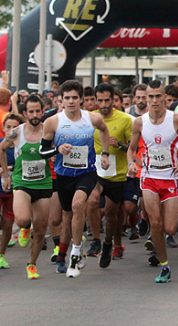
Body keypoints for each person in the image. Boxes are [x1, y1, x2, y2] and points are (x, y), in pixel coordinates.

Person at [127, 79, 178, 283]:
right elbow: (131, 150)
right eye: (151, 97)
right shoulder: (140, 122)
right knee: (155, 223)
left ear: (165, 98)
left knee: (170, 228)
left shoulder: (175, 119)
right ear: (145, 98)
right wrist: (132, 163)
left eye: (159, 96)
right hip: (149, 177)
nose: (155, 100)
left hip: (171, 178)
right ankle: (164, 265)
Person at [39, 80, 111, 278]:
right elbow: (42, 151)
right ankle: (62, 254)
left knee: (79, 204)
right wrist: (57, 149)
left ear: (81, 100)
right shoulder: (53, 122)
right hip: (64, 175)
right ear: (61, 100)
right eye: (67, 98)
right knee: (67, 216)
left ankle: (76, 252)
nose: (71, 102)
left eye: (74, 98)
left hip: (86, 172)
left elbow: (104, 130)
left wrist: (105, 154)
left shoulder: (92, 118)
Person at [0, 95, 52, 279]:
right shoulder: (16, 132)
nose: (35, 114)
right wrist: (6, 174)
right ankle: (23, 227)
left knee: (40, 228)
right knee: (22, 219)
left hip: (43, 183)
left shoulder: (49, 131)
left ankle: (32, 265)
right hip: (22, 182)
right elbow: (2, 148)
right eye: (31, 111)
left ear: (43, 111)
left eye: (38, 111)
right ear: (25, 113)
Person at [88, 83, 133, 268]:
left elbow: (134, 147)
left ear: (114, 99)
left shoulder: (125, 120)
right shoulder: (89, 119)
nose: (104, 104)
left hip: (117, 174)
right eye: (100, 100)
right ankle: (96, 240)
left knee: (111, 214)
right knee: (92, 202)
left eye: (108, 100)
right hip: (95, 171)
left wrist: (121, 145)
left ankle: (108, 243)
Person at [0, 114, 23, 269]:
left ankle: (1, 255)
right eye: (8, 127)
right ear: (3, 128)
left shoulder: (23, 146)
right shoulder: (1, 145)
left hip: (14, 190)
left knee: (8, 224)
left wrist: (12, 170)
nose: (11, 130)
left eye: (14, 127)